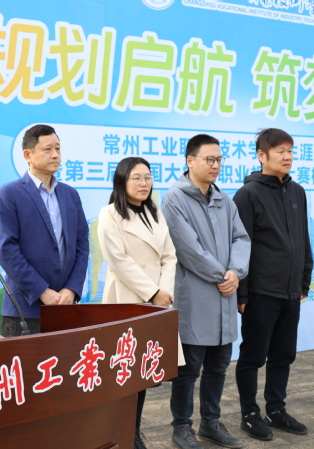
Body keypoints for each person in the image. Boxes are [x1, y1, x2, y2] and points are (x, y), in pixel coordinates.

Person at [161, 134, 250, 449]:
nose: (215, 165)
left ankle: (211, 423)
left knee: (218, 366)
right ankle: (181, 427)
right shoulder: (174, 198)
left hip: (225, 294)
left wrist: (235, 272)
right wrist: (223, 276)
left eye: (219, 160)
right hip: (197, 296)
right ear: (190, 161)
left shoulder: (224, 199)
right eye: (209, 159)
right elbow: (188, 249)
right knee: (188, 370)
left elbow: (241, 238)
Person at [97, 157, 184, 449]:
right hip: (127, 300)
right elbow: (118, 260)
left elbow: (169, 256)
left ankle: (133, 432)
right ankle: (119, 434)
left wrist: (163, 293)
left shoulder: (155, 213)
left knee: (143, 372)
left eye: (147, 177)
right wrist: (152, 292)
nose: (144, 183)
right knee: (124, 372)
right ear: (122, 181)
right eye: (136, 178)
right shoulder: (110, 214)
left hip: (156, 304)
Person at [232, 128, 312, 441]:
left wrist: (304, 280)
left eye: (290, 150)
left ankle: (276, 409)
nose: (287, 156)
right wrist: (242, 292)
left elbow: (303, 238)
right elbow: (240, 246)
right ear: (261, 156)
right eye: (280, 151)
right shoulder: (247, 194)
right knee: (252, 356)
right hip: (260, 292)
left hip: (291, 291)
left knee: (283, 355)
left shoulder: (298, 191)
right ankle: (249, 414)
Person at [0, 124, 89, 336]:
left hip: (64, 307)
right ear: (28, 155)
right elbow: (6, 249)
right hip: (24, 311)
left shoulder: (70, 195)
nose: (55, 155)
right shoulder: (10, 193)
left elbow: (82, 245)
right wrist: (41, 291)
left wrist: (71, 289)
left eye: (58, 148)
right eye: (48, 149)